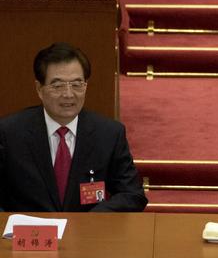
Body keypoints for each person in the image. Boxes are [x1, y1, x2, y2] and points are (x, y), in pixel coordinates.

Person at [0, 42, 147, 212]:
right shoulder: (9, 133)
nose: (68, 94)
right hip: (31, 235)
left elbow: (133, 195)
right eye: (58, 85)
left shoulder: (109, 134)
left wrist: (92, 219)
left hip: (87, 234)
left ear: (86, 86)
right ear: (39, 89)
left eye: (77, 85)